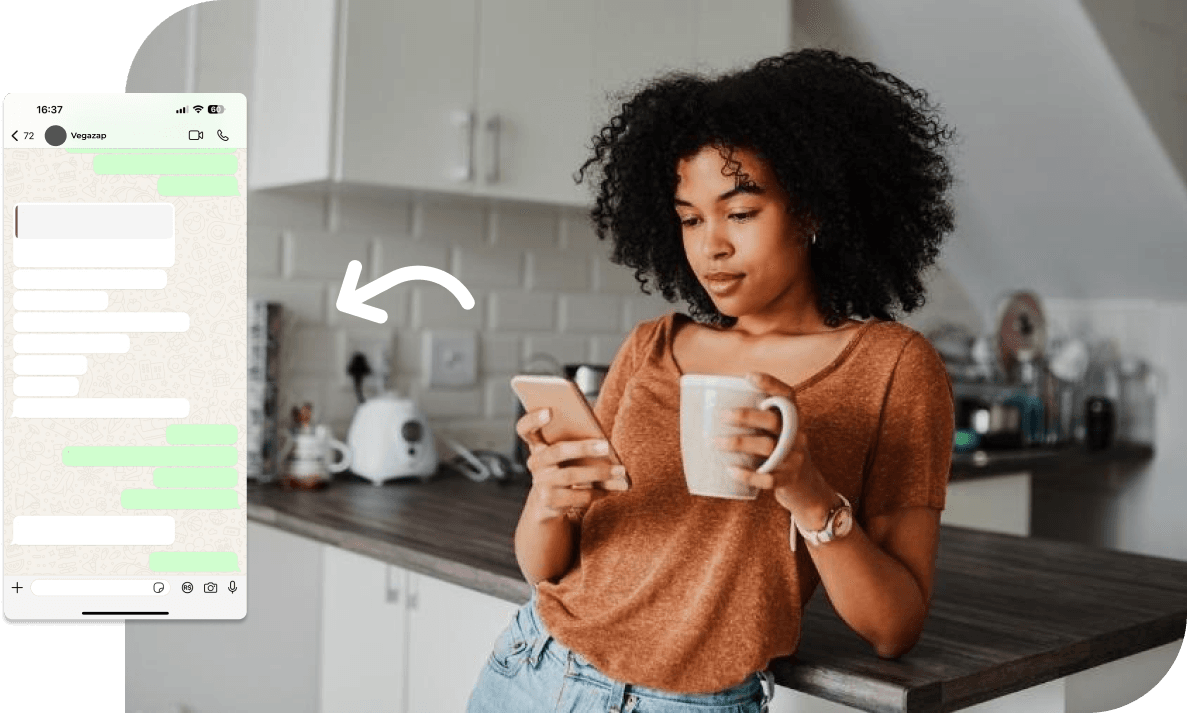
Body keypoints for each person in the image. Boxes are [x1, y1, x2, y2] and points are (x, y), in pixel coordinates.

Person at [468, 48, 957, 713]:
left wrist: (804, 490)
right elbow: (546, 568)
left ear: (811, 210)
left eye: (741, 212)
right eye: (691, 218)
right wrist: (550, 497)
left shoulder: (892, 368)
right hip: (531, 668)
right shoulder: (651, 346)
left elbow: (894, 627)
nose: (710, 246)